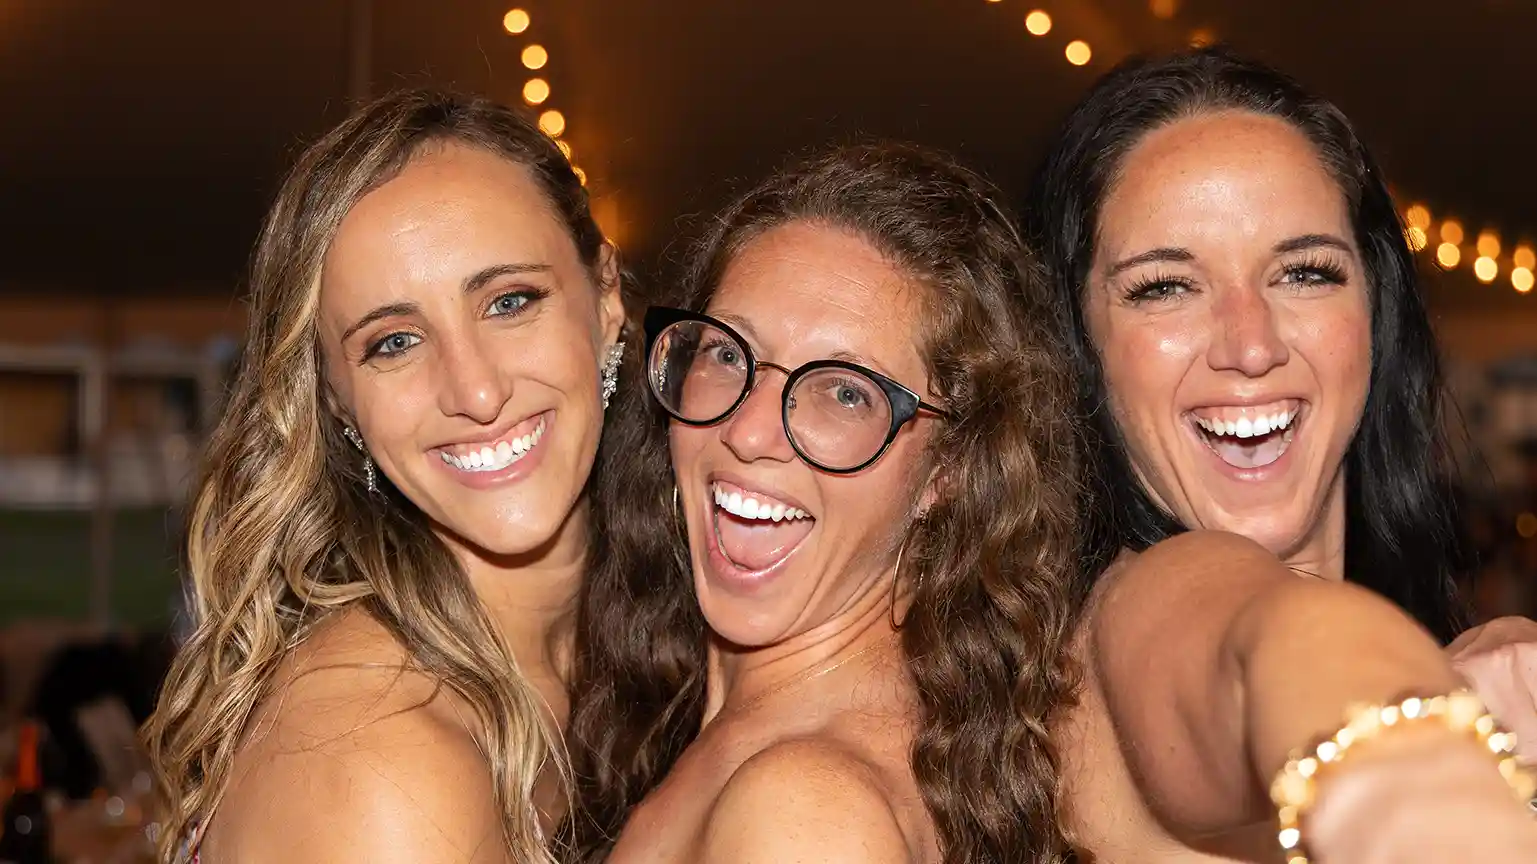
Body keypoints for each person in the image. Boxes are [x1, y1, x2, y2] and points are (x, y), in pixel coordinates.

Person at [1023, 47, 1537, 861]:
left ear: (1373, 315)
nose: (1250, 344)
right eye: (1164, 286)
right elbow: (1268, 643)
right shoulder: (1148, 606)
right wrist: (1421, 738)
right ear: (1077, 346)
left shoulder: (1433, 651)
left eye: (1302, 272)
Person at [143, 90, 673, 863]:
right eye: (393, 343)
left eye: (510, 301)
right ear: (337, 400)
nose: (476, 392)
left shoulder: (642, 638)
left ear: (605, 299)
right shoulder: (378, 758)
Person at [563, 143, 1085, 864]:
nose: (747, 431)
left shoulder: (805, 813)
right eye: (725, 354)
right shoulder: (721, 732)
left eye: (845, 392)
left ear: (951, 468)